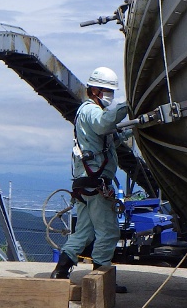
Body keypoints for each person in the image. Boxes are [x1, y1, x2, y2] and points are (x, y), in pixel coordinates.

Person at [50, 67, 130, 288]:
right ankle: (101, 281)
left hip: (85, 183)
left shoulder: (87, 113)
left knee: (84, 232)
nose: (109, 96)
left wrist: (133, 128)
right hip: (96, 183)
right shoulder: (91, 112)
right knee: (108, 231)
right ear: (94, 89)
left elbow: (107, 138)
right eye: (106, 90)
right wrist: (128, 105)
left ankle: (61, 271)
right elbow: (104, 123)